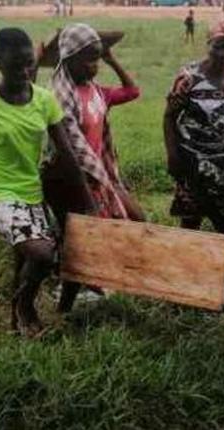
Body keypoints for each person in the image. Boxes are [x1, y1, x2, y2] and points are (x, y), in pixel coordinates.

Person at [0, 28, 94, 337]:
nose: (25, 71)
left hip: (32, 191)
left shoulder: (44, 100)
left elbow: (68, 153)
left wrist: (88, 201)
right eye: (15, 65)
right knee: (43, 253)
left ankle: (17, 326)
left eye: (30, 64)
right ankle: (26, 306)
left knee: (25, 261)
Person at [41, 23, 145, 313]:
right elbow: (71, 147)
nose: (95, 65)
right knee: (79, 239)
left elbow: (133, 91)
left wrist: (113, 59)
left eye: (98, 58)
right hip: (66, 177)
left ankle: (100, 279)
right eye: (89, 59)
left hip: (97, 174)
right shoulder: (59, 96)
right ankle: (67, 298)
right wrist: (89, 189)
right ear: (69, 58)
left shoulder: (96, 92)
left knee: (135, 217)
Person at [164, 18, 224, 235]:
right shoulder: (189, 76)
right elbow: (169, 117)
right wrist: (172, 155)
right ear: (208, 44)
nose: (223, 53)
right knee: (191, 224)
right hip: (195, 162)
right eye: (218, 46)